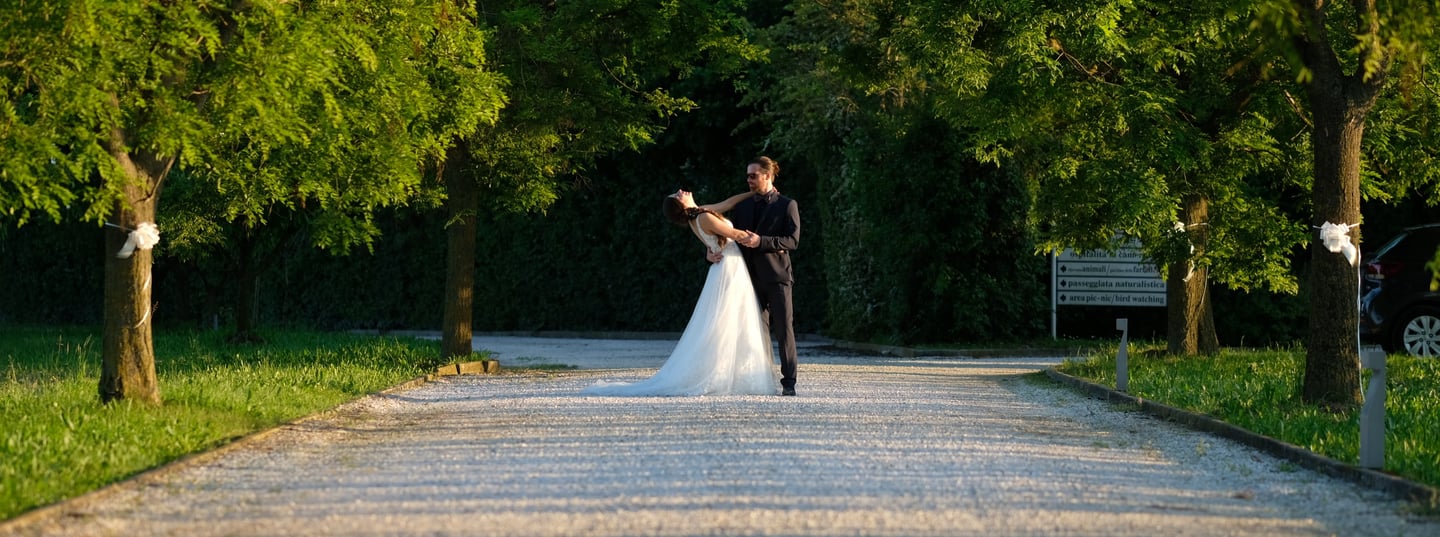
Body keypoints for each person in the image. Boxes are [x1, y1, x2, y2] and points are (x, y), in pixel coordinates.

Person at [582, 189, 780, 396]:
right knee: (728, 320)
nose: (680, 191)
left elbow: (728, 203)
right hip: (729, 268)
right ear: (681, 205)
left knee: (730, 319)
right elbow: (736, 235)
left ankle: (737, 372)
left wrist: (753, 193)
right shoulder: (703, 217)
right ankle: (726, 374)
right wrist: (770, 242)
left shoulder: (700, 214)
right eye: (677, 196)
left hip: (726, 266)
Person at [721, 156, 801, 396]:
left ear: (767, 175)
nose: (749, 180)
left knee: (784, 330)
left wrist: (761, 241)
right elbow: (727, 237)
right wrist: (712, 252)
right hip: (749, 278)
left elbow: (793, 240)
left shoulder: (787, 204)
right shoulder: (742, 206)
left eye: (753, 175)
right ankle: (763, 378)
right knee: (756, 331)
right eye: (747, 175)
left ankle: (789, 383)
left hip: (777, 277)